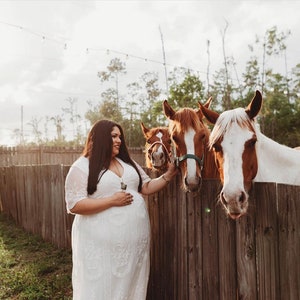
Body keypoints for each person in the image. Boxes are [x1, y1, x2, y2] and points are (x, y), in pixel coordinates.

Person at [65, 119, 177, 300]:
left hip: (134, 248)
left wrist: (169, 175)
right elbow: (74, 205)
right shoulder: (81, 166)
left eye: (119, 137)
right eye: (113, 136)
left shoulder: (128, 163)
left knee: (132, 287)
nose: (118, 140)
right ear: (99, 138)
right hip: (101, 247)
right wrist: (111, 201)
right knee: (102, 286)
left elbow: (146, 187)